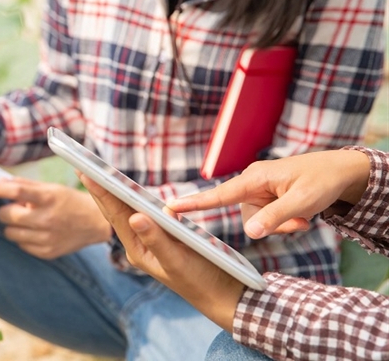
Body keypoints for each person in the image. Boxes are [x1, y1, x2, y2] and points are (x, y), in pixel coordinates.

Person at [0, 0, 387, 359]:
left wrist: (104, 218)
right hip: (96, 268)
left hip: (241, 291)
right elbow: (62, 97)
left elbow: (297, 189)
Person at [78, 146, 389, 360]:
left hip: (276, 274)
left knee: (238, 353)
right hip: (134, 272)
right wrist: (361, 173)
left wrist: (236, 301)